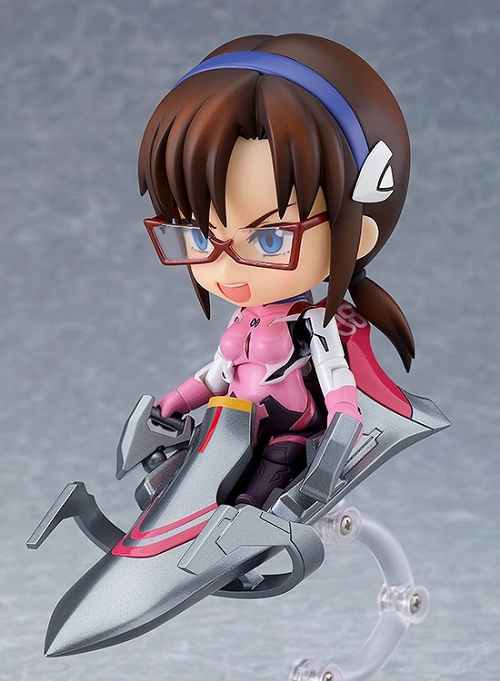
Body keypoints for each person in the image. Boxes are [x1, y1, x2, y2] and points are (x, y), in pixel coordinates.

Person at [138, 33, 414, 508]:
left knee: (254, 497)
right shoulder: (242, 318)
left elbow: (335, 375)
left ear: (357, 234)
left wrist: (343, 423)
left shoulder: (311, 325)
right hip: (231, 428)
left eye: (270, 239)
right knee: (167, 489)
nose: (224, 264)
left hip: (286, 437)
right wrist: (174, 402)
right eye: (200, 236)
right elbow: (218, 375)